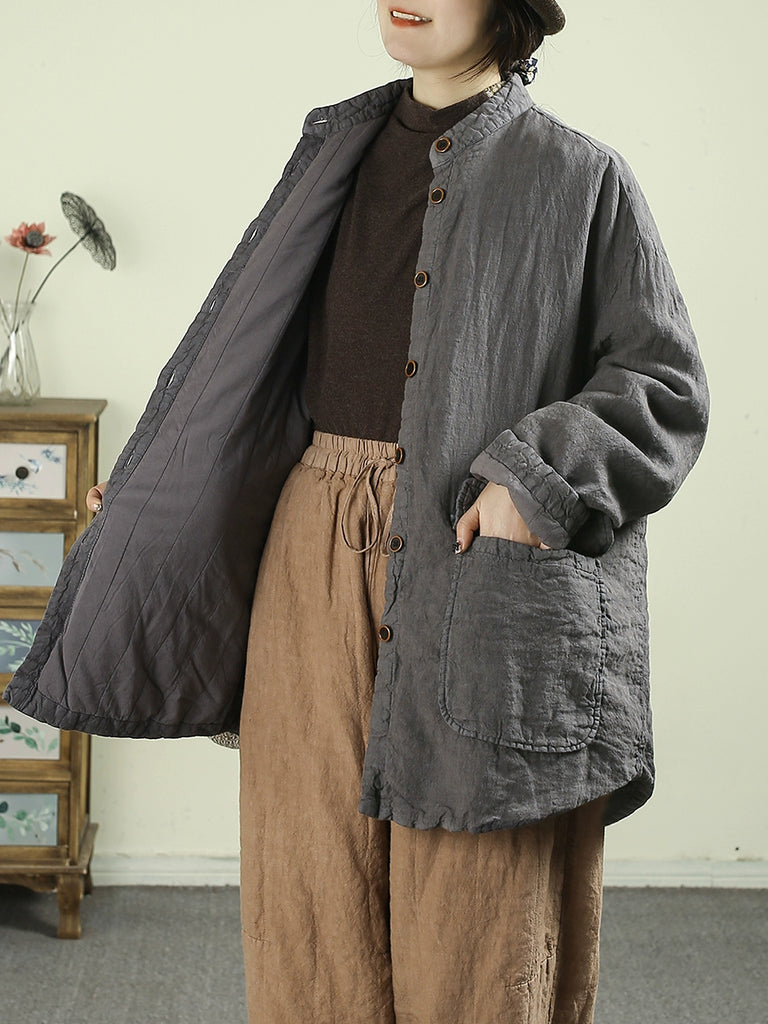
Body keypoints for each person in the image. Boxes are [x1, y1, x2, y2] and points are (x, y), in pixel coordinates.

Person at [4, 0, 710, 1021]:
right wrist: (170, 483)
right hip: (310, 549)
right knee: (307, 891)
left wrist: (536, 478)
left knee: (477, 912)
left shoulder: (579, 176)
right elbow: (256, 362)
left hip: (479, 560)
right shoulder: (332, 148)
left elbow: (664, 385)